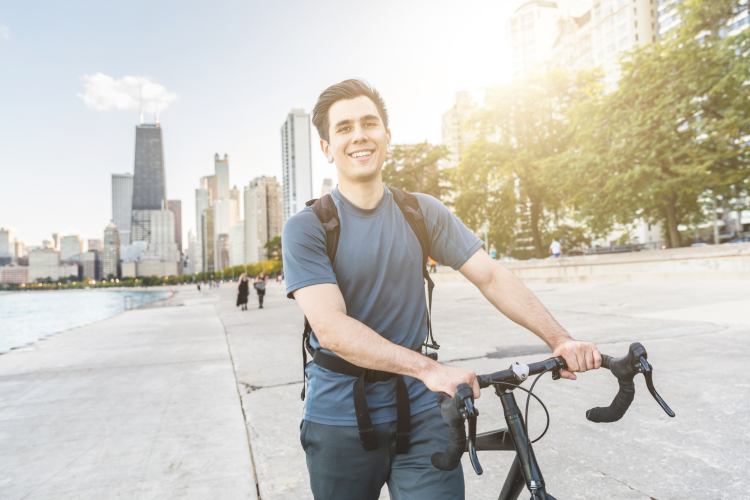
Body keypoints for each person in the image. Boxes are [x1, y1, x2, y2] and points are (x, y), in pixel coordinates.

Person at [282, 79, 601, 500]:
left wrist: (559, 339)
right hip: (340, 416)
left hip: (421, 412)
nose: (359, 135)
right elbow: (332, 329)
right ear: (327, 147)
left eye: (369, 123)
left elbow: (491, 276)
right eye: (343, 128)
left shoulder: (420, 212)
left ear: (387, 137)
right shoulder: (307, 227)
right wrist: (430, 369)